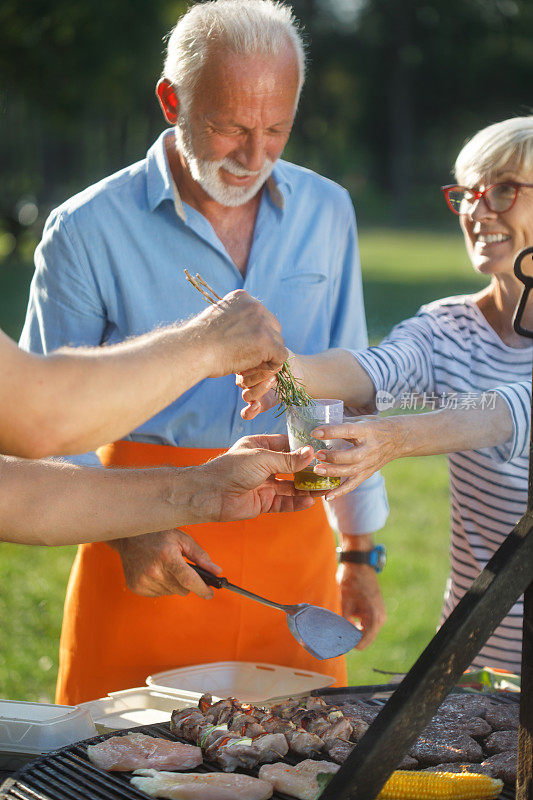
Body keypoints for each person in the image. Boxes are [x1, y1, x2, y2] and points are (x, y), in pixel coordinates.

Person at [20, 0, 389, 704]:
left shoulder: (329, 210)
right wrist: (130, 534)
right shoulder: (83, 230)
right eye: (230, 128)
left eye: (276, 129)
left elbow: (352, 391)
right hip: (142, 538)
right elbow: (39, 433)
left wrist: (358, 550)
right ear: (171, 101)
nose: (254, 157)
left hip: (294, 541)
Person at [240, 115, 533, 674]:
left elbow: (513, 411)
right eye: (468, 194)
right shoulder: (450, 327)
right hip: (477, 654)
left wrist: (396, 437)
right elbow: (379, 367)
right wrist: (290, 367)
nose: (477, 210)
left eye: (503, 190)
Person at [1, 288, 315, 587]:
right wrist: (207, 342)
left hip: (279, 537)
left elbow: (18, 493)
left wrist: (203, 490)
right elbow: (37, 415)